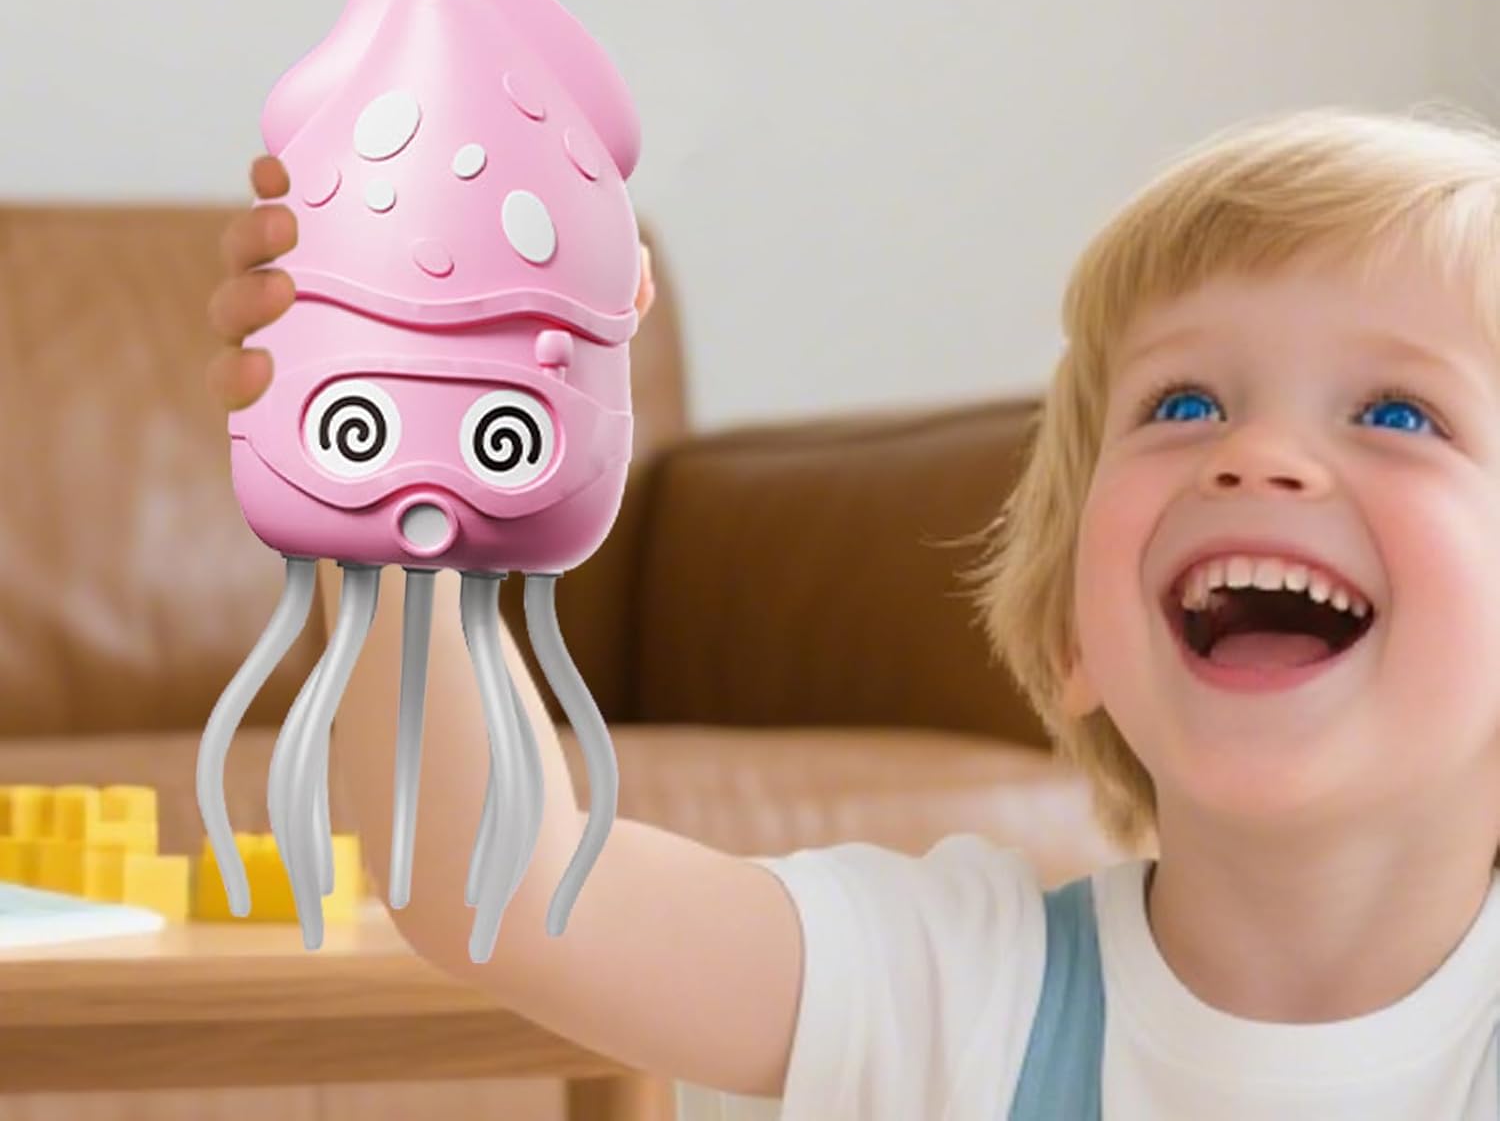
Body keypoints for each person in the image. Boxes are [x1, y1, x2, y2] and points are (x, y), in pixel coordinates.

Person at [206, 107, 1500, 1118]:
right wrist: (403, 464)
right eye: (1184, 404)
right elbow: (501, 882)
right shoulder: (955, 989)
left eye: (1399, 412)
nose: (1256, 456)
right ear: (1074, 633)